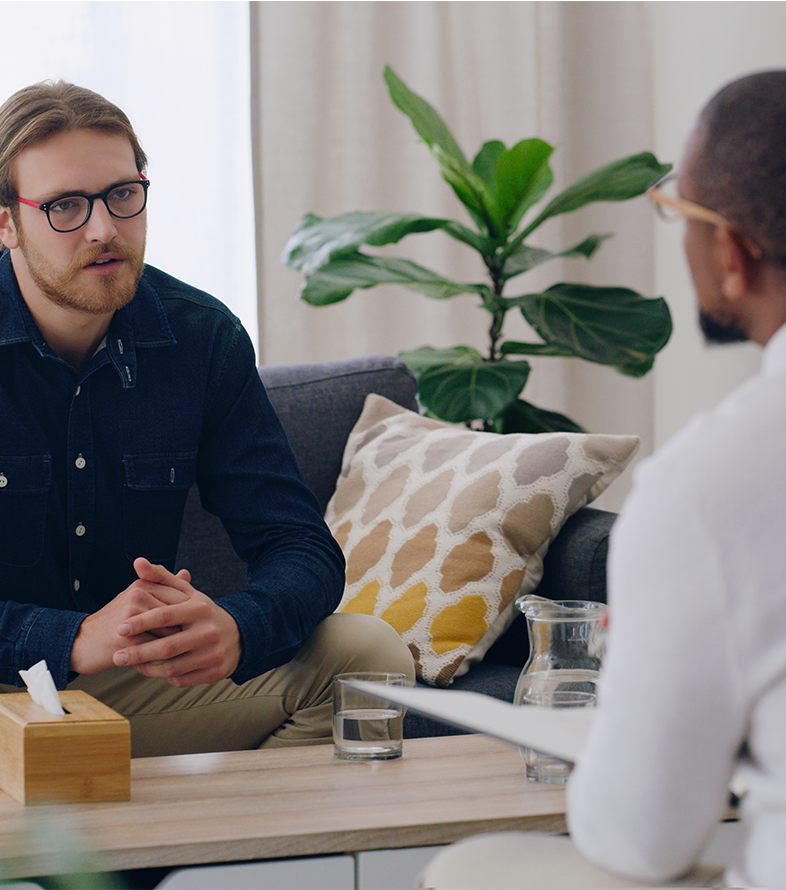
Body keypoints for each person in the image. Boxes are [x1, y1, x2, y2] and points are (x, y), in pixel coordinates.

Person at [418, 70, 786, 889]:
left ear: (731, 252)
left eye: (675, 211)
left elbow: (641, 839)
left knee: (473, 872)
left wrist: (638, 668)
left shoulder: (706, 488)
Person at [0, 80, 414, 758]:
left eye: (122, 195)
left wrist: (237, 626)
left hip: (118, 686)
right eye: (66, 207)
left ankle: (224, 856)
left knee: (366, 654)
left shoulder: (199, 338)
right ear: (5, 222)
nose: (104, 228)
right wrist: (71, 636)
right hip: (13, 679)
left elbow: (300, 546)